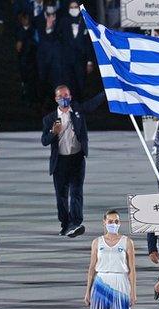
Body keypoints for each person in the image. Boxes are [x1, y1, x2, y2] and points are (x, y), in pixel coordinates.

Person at [41, 86, 105, 237]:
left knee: (76, 192)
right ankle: (65, 224)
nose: (65, 98)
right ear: (56, 99)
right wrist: (52, 132)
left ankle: (76, 223)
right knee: (61, 195)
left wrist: (106, 92)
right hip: (60, 162)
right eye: (61, 96)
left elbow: (91, 104)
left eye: (67, 95)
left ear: (70, 96)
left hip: (77, 158)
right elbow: (44, 141)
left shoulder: (77, 111)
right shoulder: (49, 119)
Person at [84, 210, 136, 309]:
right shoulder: (97, 242)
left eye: (116, 221)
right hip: (100, 283)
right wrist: (87, 292)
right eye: (110, 221)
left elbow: (132, 269)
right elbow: (91, 268)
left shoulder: (127, 242)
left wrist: (133, 292)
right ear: (104, 222)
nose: (113, 224)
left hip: (121, 283)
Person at [57, 1, 94, 99]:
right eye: (71, 7)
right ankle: (71, 103)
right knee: (69, 83)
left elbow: (88, 43)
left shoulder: (85, 21)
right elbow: (58, 38)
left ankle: (81, 103)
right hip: (67, 59)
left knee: (81, 82)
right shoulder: (63, 21)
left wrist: (89, 61)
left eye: (75, 7)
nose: (73, 9)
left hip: (80, 58)